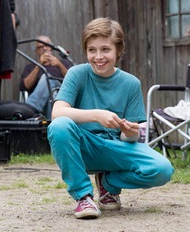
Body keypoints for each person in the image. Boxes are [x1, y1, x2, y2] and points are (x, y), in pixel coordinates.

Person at [47, 18, 174, 220]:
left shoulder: (131, 83)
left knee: (162, 169)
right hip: (83, 146)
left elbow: (130, 138)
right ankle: (83, 197)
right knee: (60, 125)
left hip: (116, 148)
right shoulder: (76, 74)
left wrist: (130, 132)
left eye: (105, 49)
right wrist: (96, 115)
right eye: (92, 50)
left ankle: (108, 185)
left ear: (118, 50)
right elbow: (57, 112)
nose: (98, 57)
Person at [19, 35, 73, 118]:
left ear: (51, 47)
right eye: (40, 47)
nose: (44, 48)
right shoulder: (30, 67)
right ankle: (52, 125)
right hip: (48, 104)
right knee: (48, 83)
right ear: (36, 51)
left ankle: (29, 110)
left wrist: (59, 65)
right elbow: (26, 86)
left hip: (62, 99)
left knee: (48, 80)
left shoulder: (64, 63)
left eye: (47, 45)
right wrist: (38, 65)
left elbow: (73, 82)